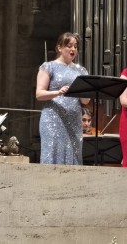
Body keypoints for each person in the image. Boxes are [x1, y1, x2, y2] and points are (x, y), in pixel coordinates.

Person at [36, 32, 90, 165]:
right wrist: (57, 92)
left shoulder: (81, 71)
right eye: (69, 46)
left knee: (73, 156)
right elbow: (39, 94)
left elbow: (85, 101)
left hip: (73, 119)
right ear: (60, 48)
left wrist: (85, 90)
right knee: (52, 154)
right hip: (52, 119)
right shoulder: (49, 66)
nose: (73, 49)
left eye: (75, 47)